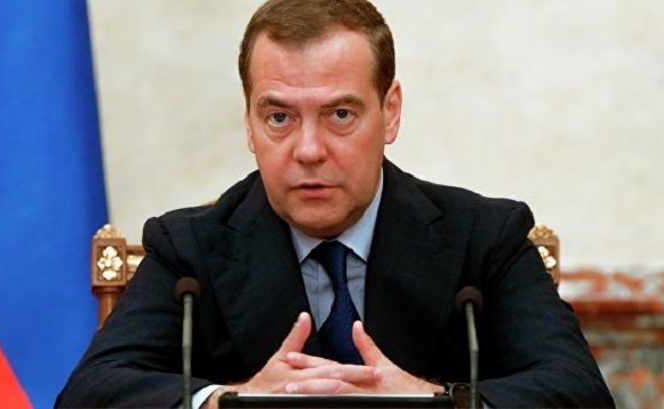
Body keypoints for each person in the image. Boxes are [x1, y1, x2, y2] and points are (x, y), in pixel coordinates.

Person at [57, 0, 614, 407]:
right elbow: (92, 393)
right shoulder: (191, 248)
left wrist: (435, 403)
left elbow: (577, 392)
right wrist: (231, 401)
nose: (308, 150)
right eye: (279, 117)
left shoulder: (484, 238)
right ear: (248, 122)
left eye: (340, 115)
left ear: (390, 112)